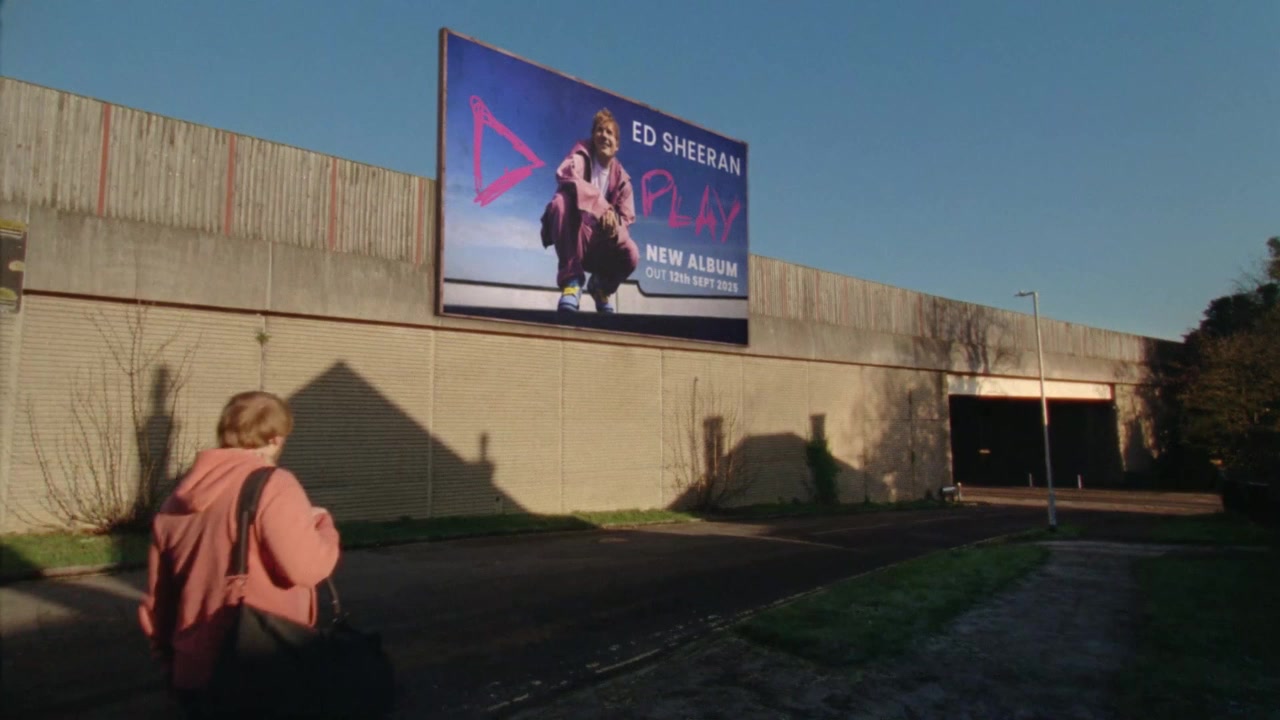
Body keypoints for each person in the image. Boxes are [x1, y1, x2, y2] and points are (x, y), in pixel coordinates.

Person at [138, 390, 340, 717]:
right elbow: (307, 568)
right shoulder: (274, 484)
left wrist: (169, 661)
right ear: (275, 439)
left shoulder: (177, 498)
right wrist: (323, 526)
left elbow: (159, 599)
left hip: (194, 667)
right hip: (261, 664)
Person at [540, 107, 640, 314]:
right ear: (593, 136)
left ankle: (601, 286)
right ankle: (572, 282)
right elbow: (564, 174)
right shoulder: (579, 156)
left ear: (617, 145)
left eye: (609, 132)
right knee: (559, 203)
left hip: (602, 246)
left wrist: (613, 227)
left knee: (631, 253)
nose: (604, 135)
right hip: (576, 238)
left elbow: (627, 219)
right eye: (599, 130)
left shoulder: (623, 181)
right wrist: (602, 208)